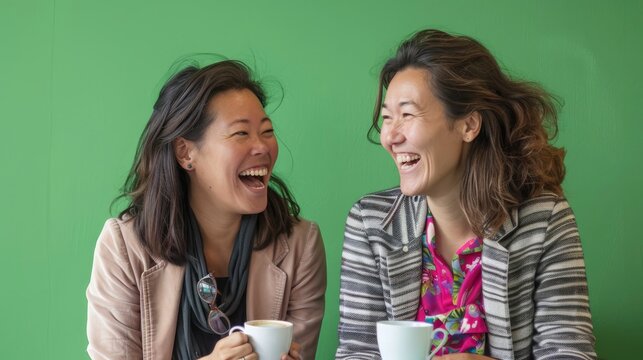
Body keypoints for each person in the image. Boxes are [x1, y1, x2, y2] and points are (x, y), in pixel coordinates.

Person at [336, 29, 596, 360]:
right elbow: (356, 354)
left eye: (407, 114)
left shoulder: (544, 221)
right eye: (387, 118)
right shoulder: (371, 223)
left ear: (469, 125)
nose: (391, 136)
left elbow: (571, 353)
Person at [87, 60, 326, 360]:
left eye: (267, 131)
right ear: (186, 153)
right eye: (241, 134)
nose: (263, 147)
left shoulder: (299, 245)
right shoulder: (125, 248)